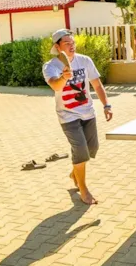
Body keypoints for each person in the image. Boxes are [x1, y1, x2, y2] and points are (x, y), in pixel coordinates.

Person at [43, 29, 113, 205]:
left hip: (88, 112)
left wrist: (106, 105)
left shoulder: (85, 60)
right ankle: (83, 189)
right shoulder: (50, 66)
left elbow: (97, 84)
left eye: (72, 42)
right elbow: (55, 86)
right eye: (67, 43)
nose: (71, 45)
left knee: (92, 148)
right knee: (81, 150)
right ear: (57, 47)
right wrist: (64, 77)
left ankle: (75, 173)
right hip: (68, 115)